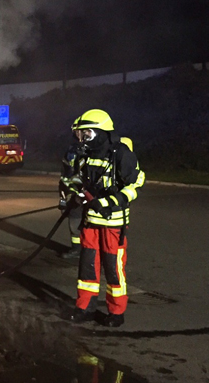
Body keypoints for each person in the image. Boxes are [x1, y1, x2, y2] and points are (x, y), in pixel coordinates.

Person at [66, 109, 145, 327]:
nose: (83, 139)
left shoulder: (121, 154)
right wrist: (77, 197)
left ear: (101, 132)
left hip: (113, 223)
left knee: (113, 268)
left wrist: (112, 201)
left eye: (87, 133)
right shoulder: (85, 155)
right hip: (91, 221)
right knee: (87, 267)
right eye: (82, 134)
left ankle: (116, 312)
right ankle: (85, 308)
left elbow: (136, 183)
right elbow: (80, 181)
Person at [59, 121, 86, 259]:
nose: (78, 134)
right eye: (76, 131)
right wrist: (63, 198)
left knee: (91, 224)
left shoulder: (94, 150)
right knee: (74, 221)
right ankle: (76, 249)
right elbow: (65, 175)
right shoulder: (72, 150)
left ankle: (92, 251)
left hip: (90, 196)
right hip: (74, 195)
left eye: (80, 131)